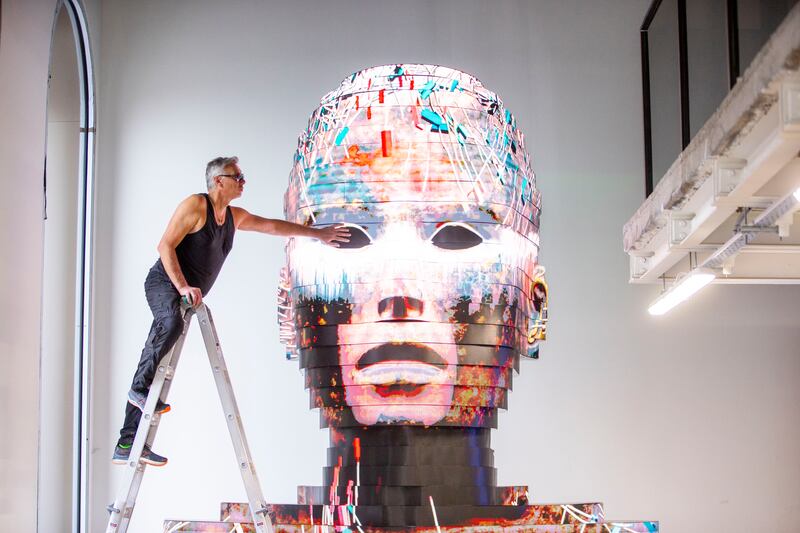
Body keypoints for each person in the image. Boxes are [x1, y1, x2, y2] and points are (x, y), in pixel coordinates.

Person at [112, 155, 349, 466]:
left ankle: (128, 442)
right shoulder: (196, 206)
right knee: (169, 324)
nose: (242, 181)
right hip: (164, 283)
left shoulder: (234, 216)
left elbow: (272, 226)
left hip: (186, 293)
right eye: (237, 176)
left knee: (165, 341)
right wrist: (182, 287)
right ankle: (138, 390)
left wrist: (318, 234)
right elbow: (165, 246)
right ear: (218, 181)